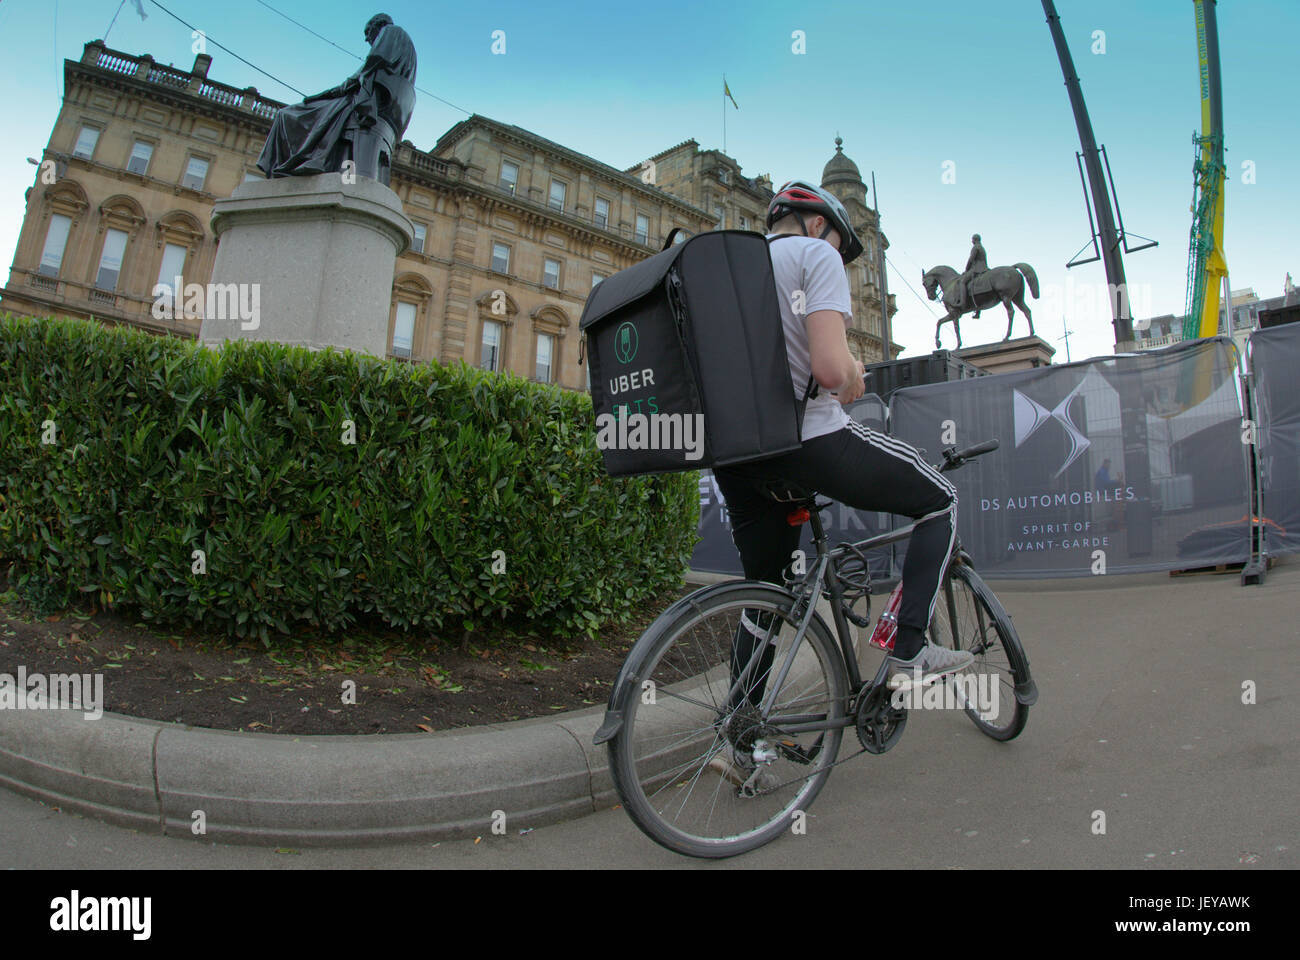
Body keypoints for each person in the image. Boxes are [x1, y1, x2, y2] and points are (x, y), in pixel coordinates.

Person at [712, 181, 972, 722]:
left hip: (734, 453)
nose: (838, 255)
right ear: (814, 224)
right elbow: (830, 371)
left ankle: (738, 738)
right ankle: (909, 649)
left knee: (765, 592)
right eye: (837, 242)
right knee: (941, 500)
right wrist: (852, 371)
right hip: (807, 438)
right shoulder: (812, 256)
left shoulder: (731, 268)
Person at [257, 13, 416, 186]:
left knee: (287, 115)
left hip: (366, 104)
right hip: (373, 103)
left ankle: (296, 165)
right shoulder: (404, 50)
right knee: (301, 113)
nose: (366, 39)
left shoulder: (392, 32)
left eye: (368, 32)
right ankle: (294, 170)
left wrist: (346, 84)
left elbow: (374, 61)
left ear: (377, 25)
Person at [958, 233, 987, 318]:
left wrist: (966, 270)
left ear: (974, 240)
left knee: (962, 282)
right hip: (985, 268)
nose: (972, 241)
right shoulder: (982, 248)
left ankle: (962, 303)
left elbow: (971, 259)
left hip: (977, 269)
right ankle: (977, 311)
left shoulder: (975, 247)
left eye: (972, 239)